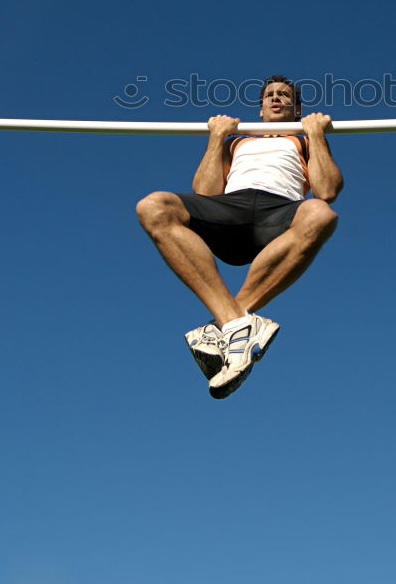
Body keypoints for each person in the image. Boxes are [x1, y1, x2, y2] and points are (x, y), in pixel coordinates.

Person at [136, 75, 343, 399]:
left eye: (284, 96)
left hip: (279, 213)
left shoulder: (303, 139)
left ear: (297, 107)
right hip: (229, 210)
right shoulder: (236, 141)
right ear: (260, 110)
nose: (275, 99)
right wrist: (217, 137)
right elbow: (205, 192)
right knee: (154, 206)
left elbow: (327, 190)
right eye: (269, 96)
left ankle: (225, 326)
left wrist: (314, 132)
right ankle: (238, 323)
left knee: (320, 214)